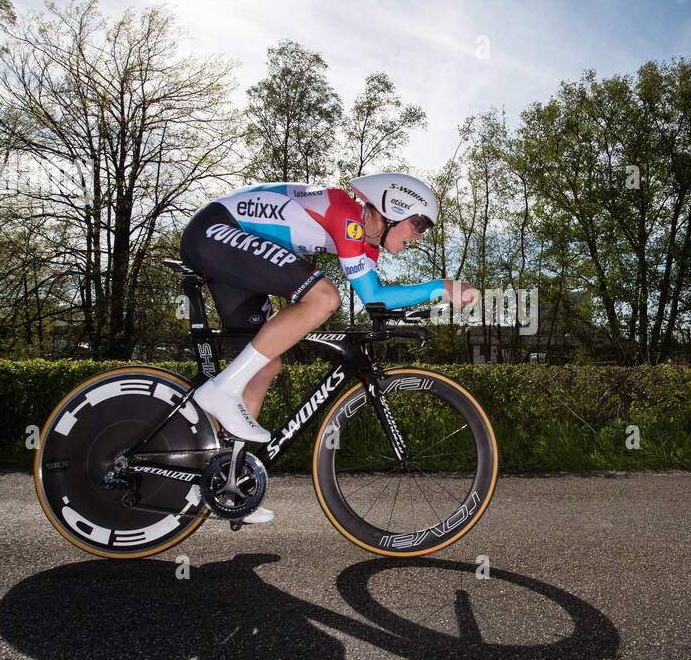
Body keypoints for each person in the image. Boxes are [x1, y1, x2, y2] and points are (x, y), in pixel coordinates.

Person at [179, 173, 476, 521]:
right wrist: (441, 285)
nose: (419, 234)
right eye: (418, 222)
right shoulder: (346, 215)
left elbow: (377, 300)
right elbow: (373, 296)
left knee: (265, 366)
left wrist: (427, 302)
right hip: (216, 230)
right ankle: (222, 390)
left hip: (233, 244)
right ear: (393, 209)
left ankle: (228, 485)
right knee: (324, 297)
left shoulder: (365, 245)